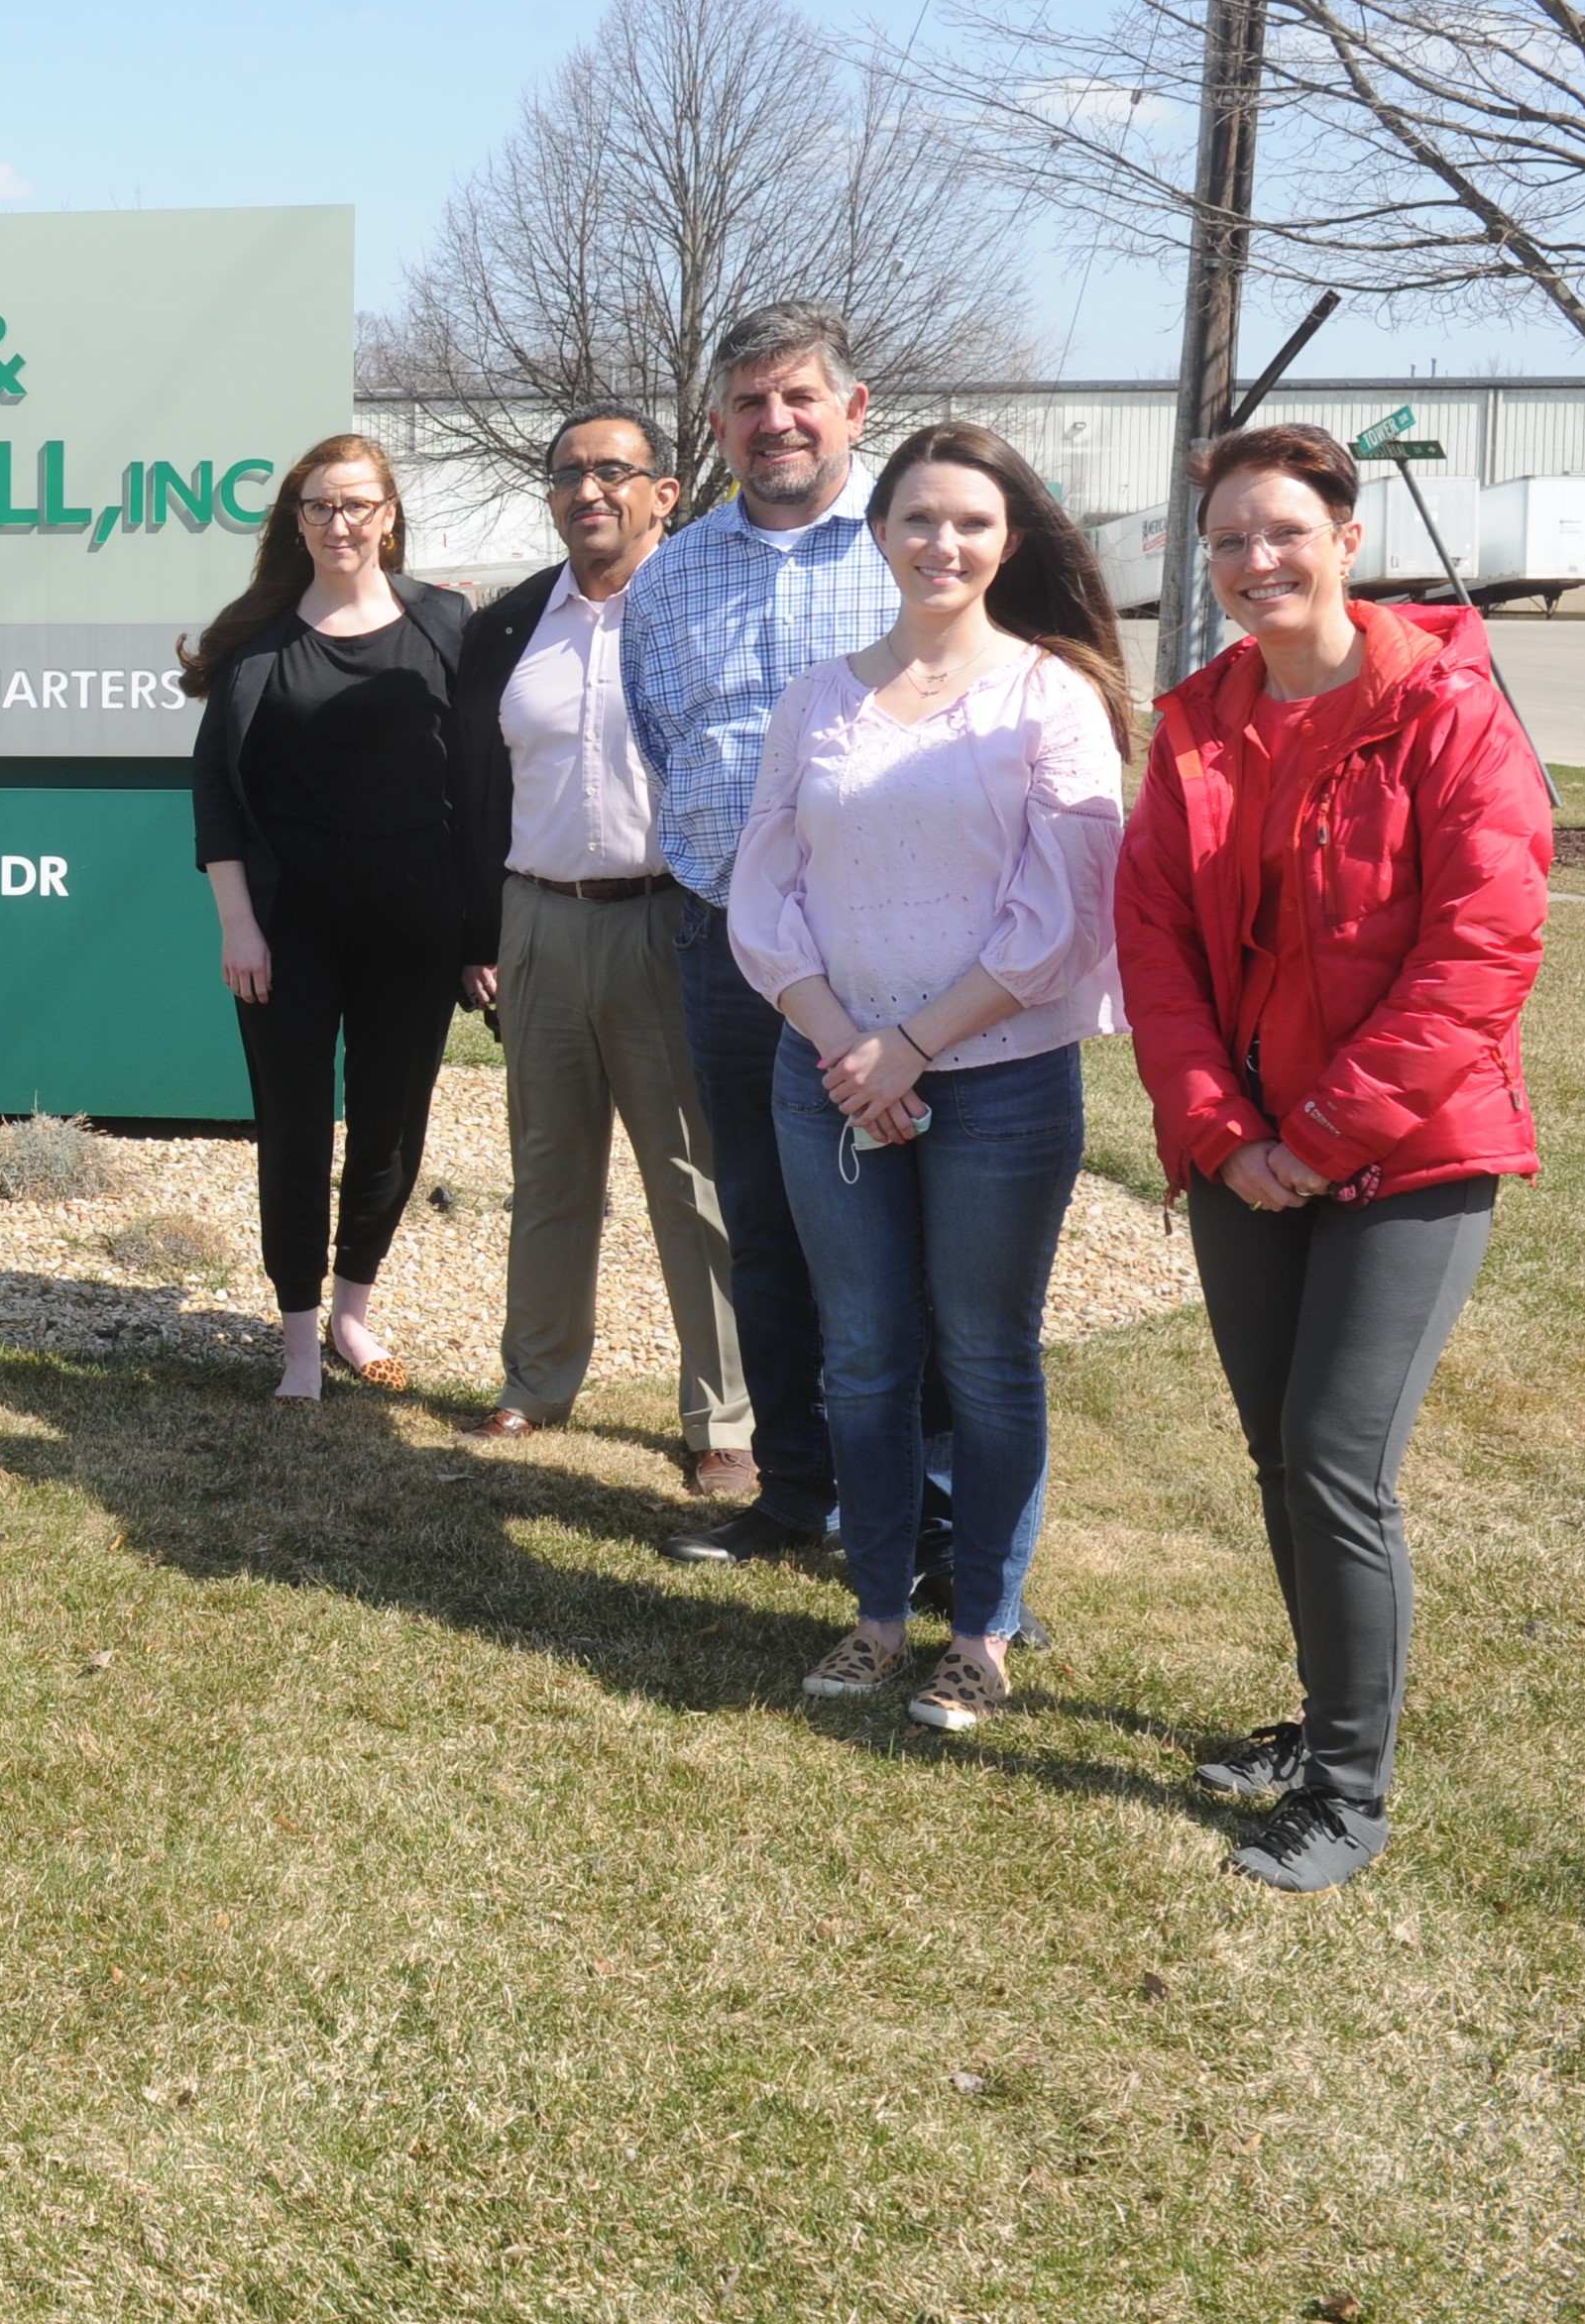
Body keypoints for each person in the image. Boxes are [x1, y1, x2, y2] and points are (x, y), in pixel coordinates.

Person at [1115, 422, 1549, 1894]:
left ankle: (1349, 1791)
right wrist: (1224, 1135)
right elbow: (1155, 946)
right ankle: (1317, 1723)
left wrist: (1320, 1137)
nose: (1254, 563)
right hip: (1250, 1165)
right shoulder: (1195, 723)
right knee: (1277, 1454)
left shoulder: (1446, 709)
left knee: (1339, 1465)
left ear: (1346, 539)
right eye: (1228, 540)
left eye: (1281, 532)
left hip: (1410, 1158)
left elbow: (1479, 950)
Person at [727, 422, 1129, 1734]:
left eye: (969, 521)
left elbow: (1058, 918)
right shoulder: (817, 699)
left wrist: (909, 1048)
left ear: (1008, 539)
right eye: (918, 519)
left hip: (999, 1088)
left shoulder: (1051, 698)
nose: (942, 543)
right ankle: (878, 1614)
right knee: (865, 1358)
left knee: (987, 1359)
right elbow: (763, 897)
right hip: (830, 1079)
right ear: (882, 531)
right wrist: (847, 1043)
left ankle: (983, 1632)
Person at [622, 301, 958, 1589]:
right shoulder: (676, 576)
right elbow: (670, 749)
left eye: (799, 397)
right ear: (717, 425)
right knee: (761, 1226)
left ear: (853, 409)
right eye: (750, 402)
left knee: (910, 1236)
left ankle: (932, 1522)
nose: (776, 422)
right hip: (728, 950)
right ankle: (796, 1488)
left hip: (896, 962)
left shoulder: (915, 552)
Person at [452, 405, 747, 1481]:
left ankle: (723, 1422)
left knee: (690, 1177)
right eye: (569, 473)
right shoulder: (509, 624)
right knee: (547, 1168)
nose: (589, 491)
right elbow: (476, 780)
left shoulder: (702, 611)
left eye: (613, 471)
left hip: (666, 922)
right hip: (534, 921)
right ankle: (533, 1384)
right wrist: (477, 931)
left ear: (662, 492)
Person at [184, 432, 473, 1405]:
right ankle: (298, 1338)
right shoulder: (257, 638)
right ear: (295, 521)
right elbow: (215, 793)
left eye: (355, 504)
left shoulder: (444, 623)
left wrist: (477, 935)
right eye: (318, 506)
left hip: (415, 935)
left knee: (390, 1131)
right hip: (285, 935)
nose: (337, 522)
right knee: (295, 1131)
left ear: (388, 513)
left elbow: (477, 784)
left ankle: (354, 1310)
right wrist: (237, 923)